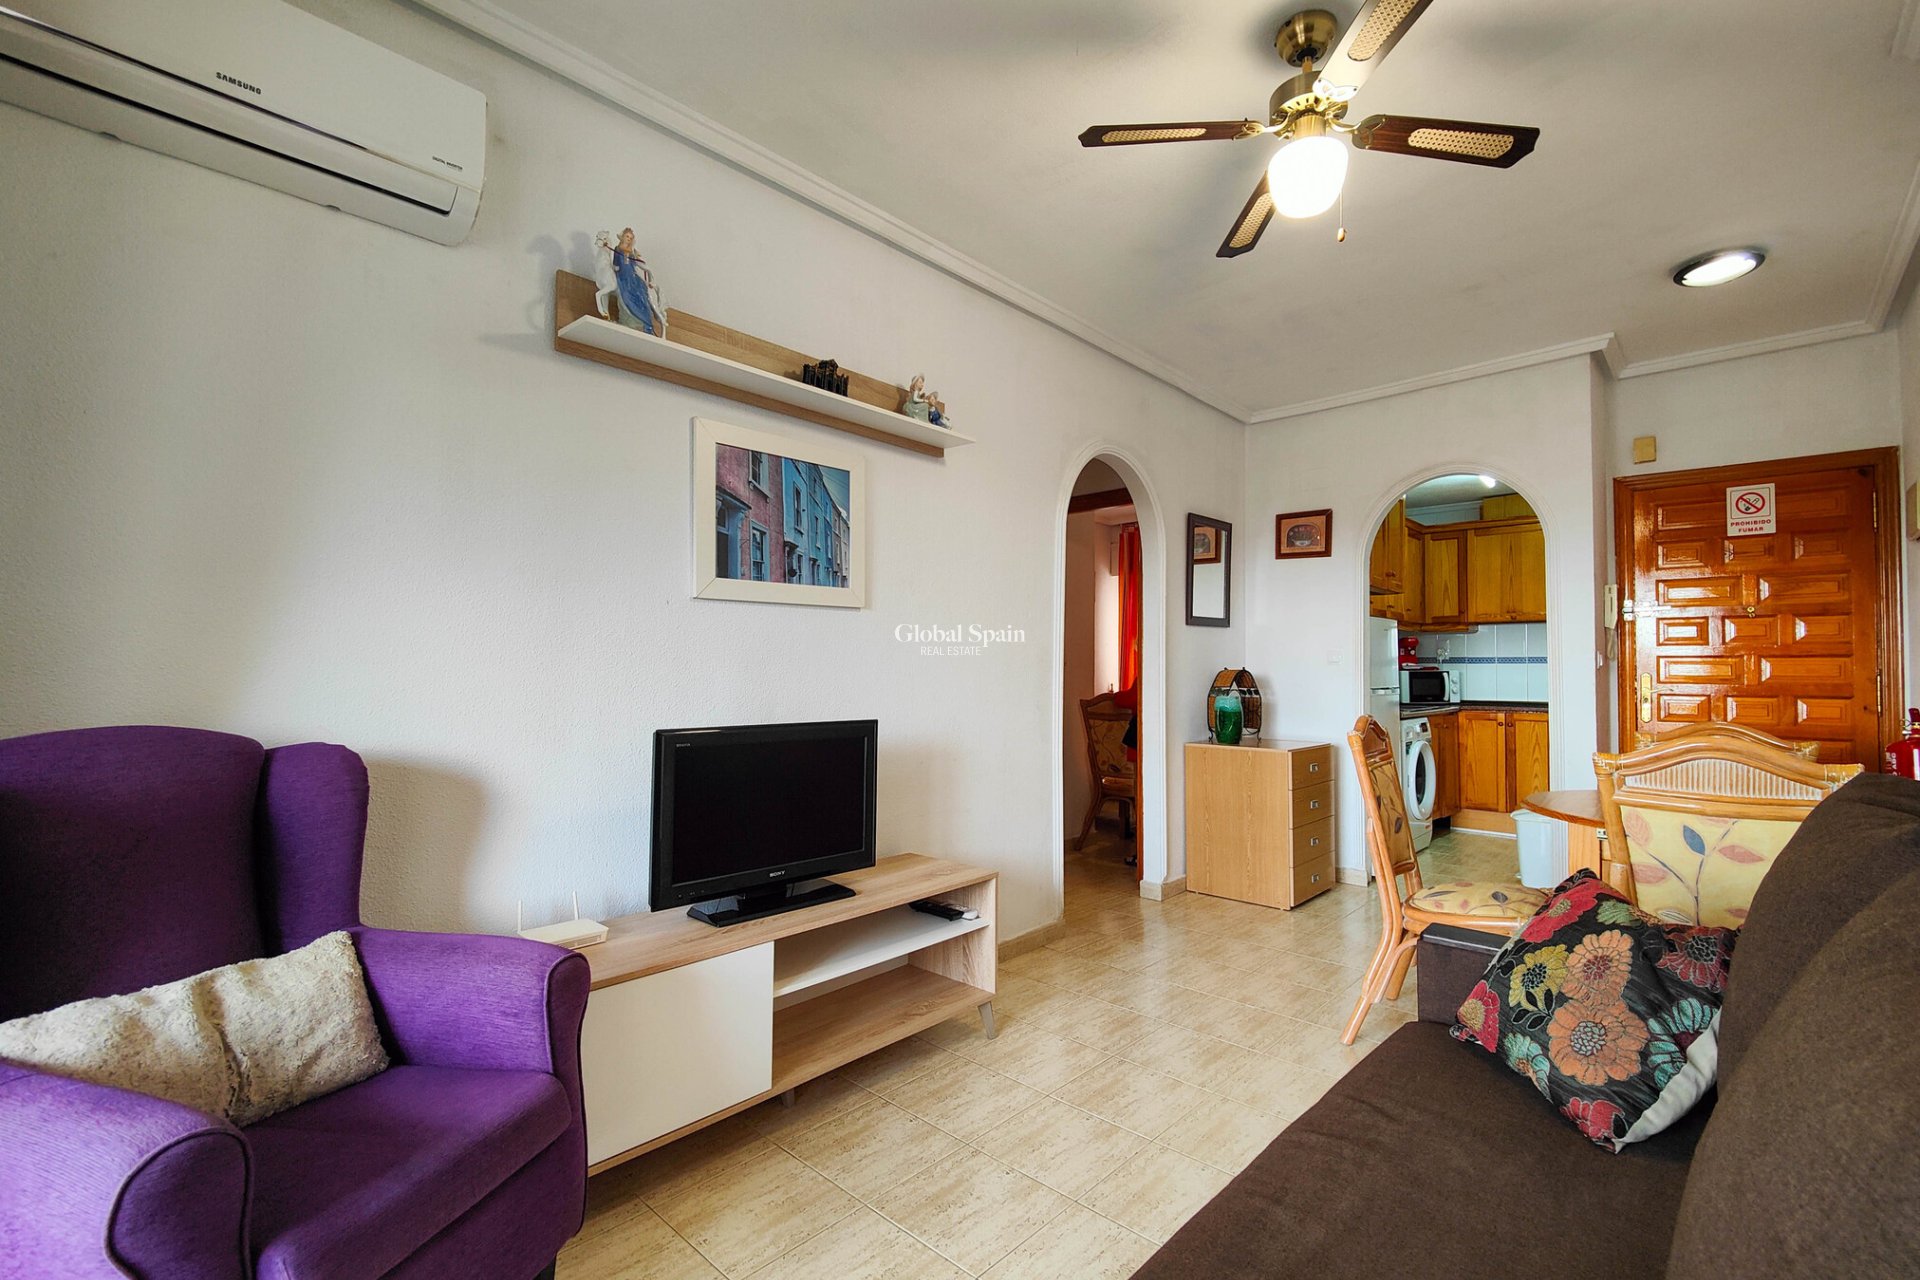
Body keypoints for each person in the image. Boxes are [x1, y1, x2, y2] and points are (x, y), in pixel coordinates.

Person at [607, 227, 665, 336]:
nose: (628, 239)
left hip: (632, 277)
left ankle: (645, 323)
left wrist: (638, 260)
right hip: (623, 278)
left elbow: (637, 264)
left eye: (630, 238)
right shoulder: (617, 249)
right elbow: (615, 265)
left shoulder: (631, 252)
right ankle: (629, 320)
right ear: (622, 237)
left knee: (642, 294)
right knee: (626, 295)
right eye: (627, 236)